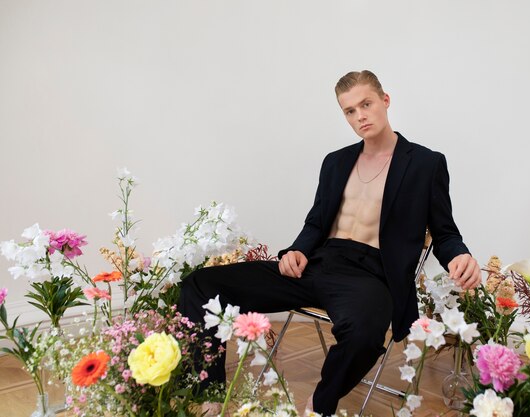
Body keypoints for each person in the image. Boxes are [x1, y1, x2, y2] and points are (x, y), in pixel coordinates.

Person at [178, 70, 481, 416]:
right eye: (349, 111)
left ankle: (320, 402)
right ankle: (209, 393)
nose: (360, 116)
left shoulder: (426, 163)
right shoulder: (335, 162)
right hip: (319, 264)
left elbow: (444, 232)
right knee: (200, 285)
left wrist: (460, 256)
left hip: (371, 276)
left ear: (385, 100)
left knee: (366, 334)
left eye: (366, 104)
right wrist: (296, 251)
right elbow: (316, 223)